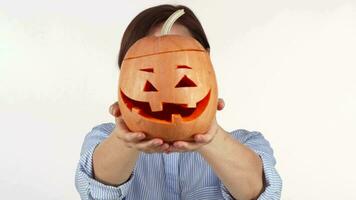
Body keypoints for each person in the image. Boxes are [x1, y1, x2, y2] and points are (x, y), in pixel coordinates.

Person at [75, 4, 282, 200]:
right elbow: (95, 193)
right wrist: (124, 141)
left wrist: (211, 138)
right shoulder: (103, 139)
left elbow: (261, 194)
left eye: (179, 61)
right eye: (148, 66)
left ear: (206, 62)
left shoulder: (248, 144)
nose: (165, 88)